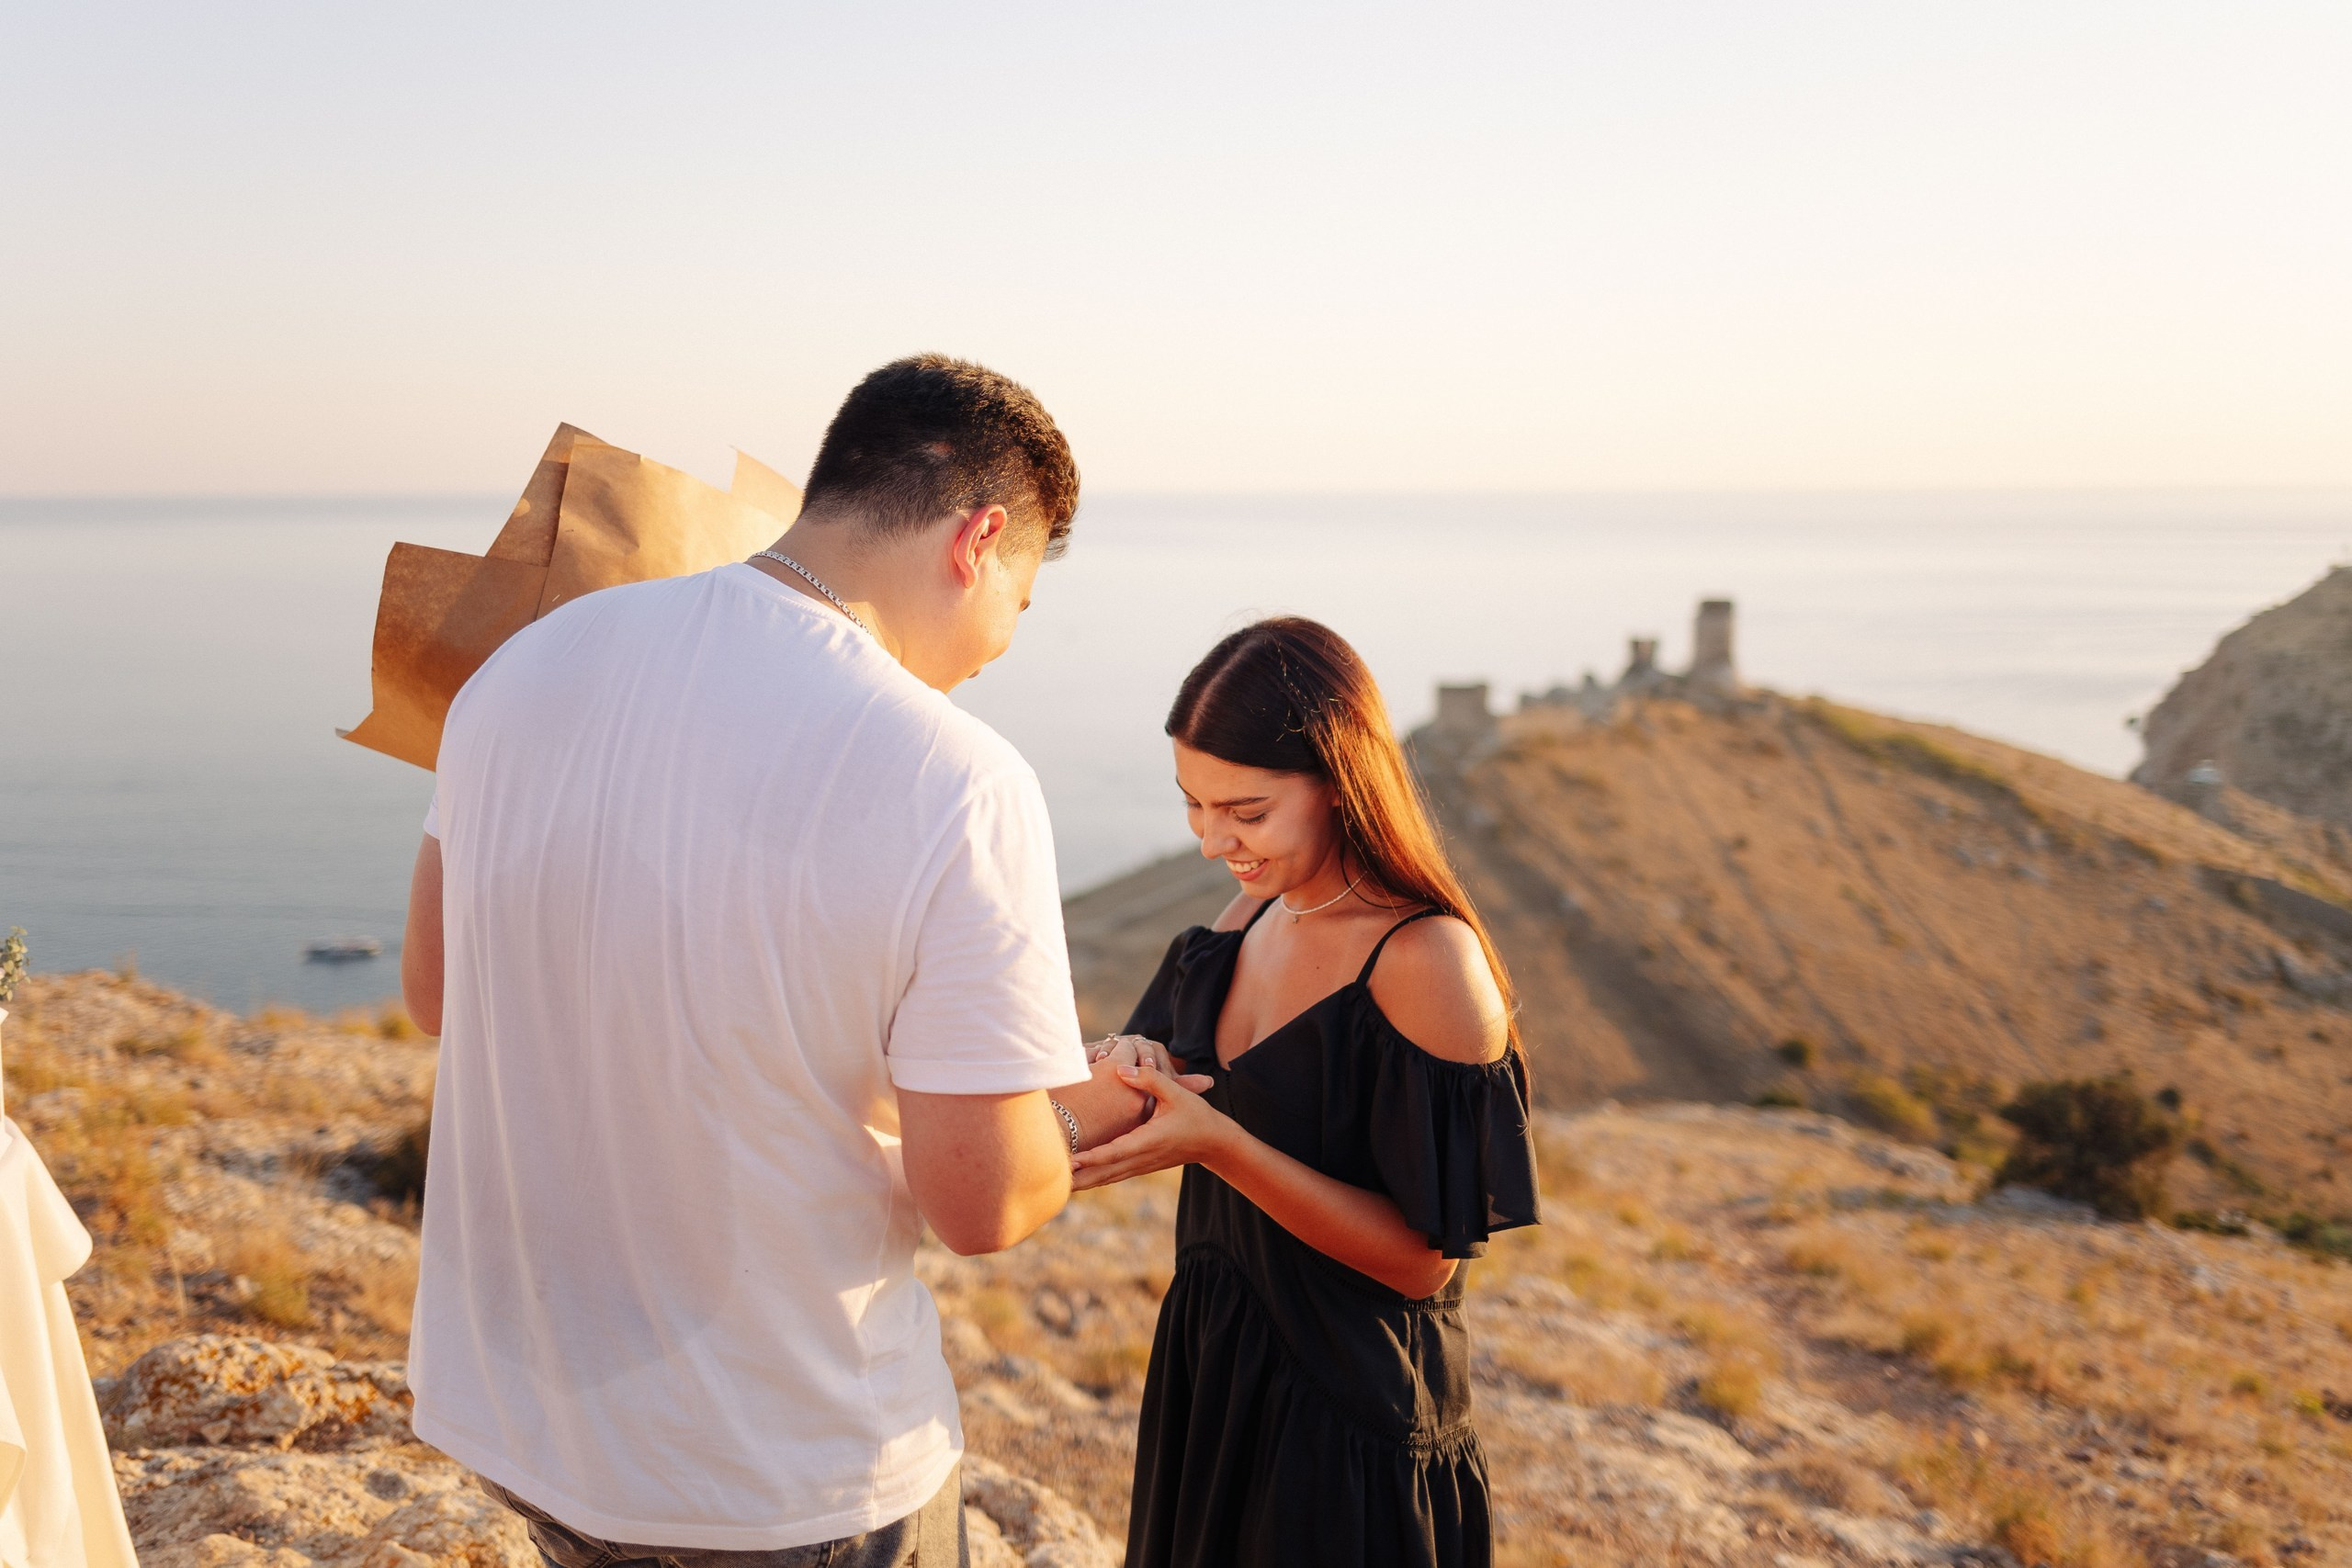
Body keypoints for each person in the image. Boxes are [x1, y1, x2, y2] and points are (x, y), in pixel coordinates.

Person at [399, 355, 1173, 1568]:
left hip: (535, 1424)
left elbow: (439, 988)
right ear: (978, 540)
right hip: (787, 1464)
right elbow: (979, 1200)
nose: (992, 652)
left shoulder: (515, 673)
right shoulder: (956, 775)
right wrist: (1091, 1115)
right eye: (1017, 605)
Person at [1070, 616, 1542, 1568]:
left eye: (1244, 812)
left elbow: (1423, 1266)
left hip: (1344, 1419)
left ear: (1338, 782)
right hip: (1218, 1375)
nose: (1212, 843)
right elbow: (1148, 1090)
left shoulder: (1424, 959)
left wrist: (1220, 1147)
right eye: (1194, 806)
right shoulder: (1251, 913)